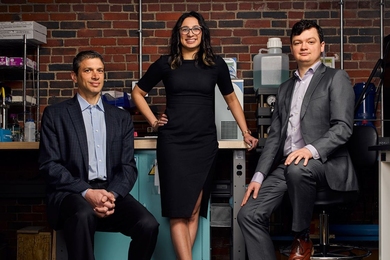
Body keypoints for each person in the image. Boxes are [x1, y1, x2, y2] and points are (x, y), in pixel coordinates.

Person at [131, 11, 258, 260]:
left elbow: (231, 98)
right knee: (178, 211)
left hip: (204, 143)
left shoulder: (215, 64)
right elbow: (137, 93)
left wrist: (245, 131)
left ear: (203, 33)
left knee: (193, 210)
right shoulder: (165, 64)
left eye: (196, 29)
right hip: (173, 144)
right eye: (185, 29)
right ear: (178, 35)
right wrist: (154, 122)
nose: (191, 34)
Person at [237, 19, 358, 260]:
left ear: (321, 46)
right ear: (292, 49)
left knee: (296, 168)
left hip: (325, 163)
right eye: (298, 43)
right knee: (247, 214)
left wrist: (310, 149)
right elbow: (273, 138)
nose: (304, 47)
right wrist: (258, 177)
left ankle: (301, 237)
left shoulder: (336, 78)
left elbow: (343, 128)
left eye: (310, 42)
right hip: (287, 167)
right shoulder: (284, 88)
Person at [39, 50, 159, 260]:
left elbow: (128, 167)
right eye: (88, 70)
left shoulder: (120, 118)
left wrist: (111, 195)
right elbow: (50, 165)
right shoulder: (55, 114)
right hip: (72, 193)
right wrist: (87, 192)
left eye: (100, 71)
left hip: (110, 193)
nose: (96, 76)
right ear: (74, 76)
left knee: (148, 225)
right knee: (83, 215)